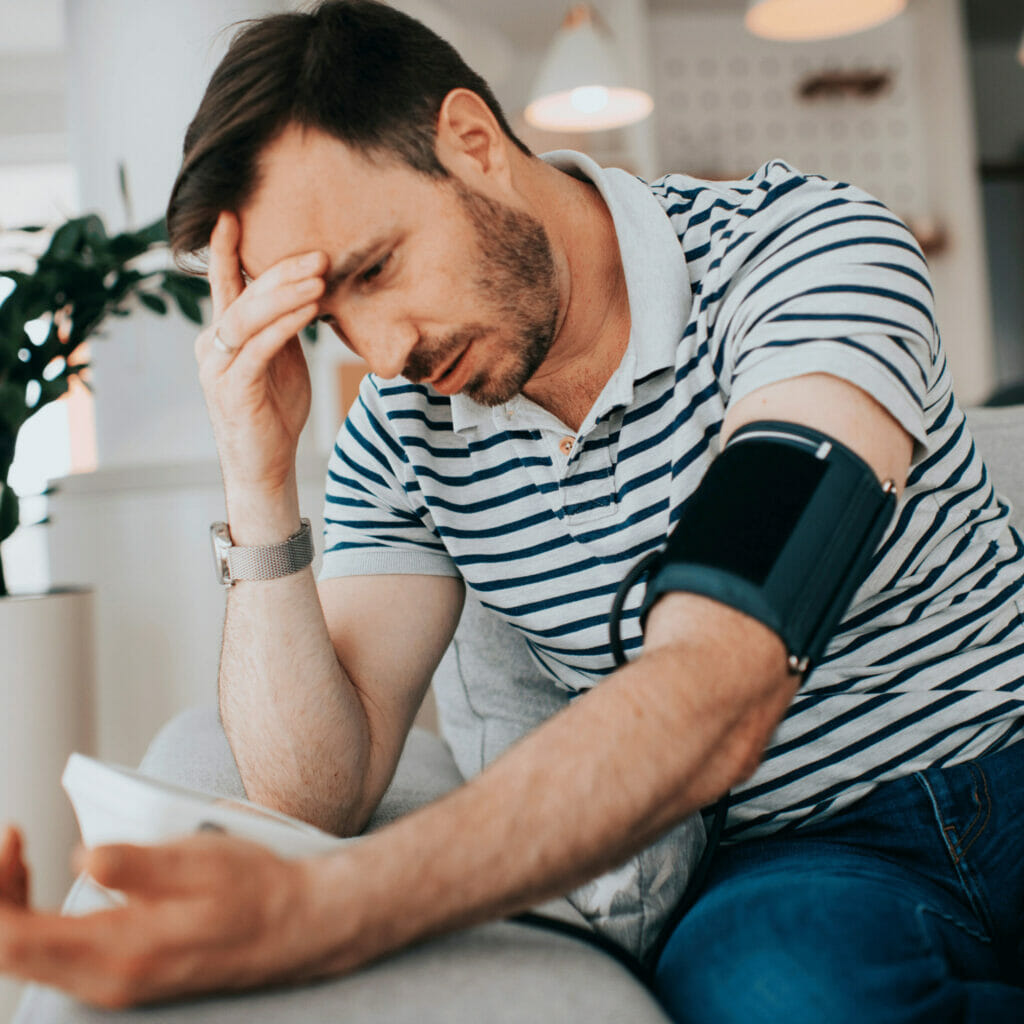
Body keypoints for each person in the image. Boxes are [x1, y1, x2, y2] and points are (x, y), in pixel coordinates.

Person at [2, 1, 1023, 1018]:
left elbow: (722, 677)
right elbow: (316, 791)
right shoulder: (406, 427)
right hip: (803, 856)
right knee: (766, 994)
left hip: (1008, 753)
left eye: (373, 268)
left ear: (474, 142)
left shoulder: (801, 254)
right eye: (328, 315)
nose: (382, 349)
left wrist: (327, 906)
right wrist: (256, 475)